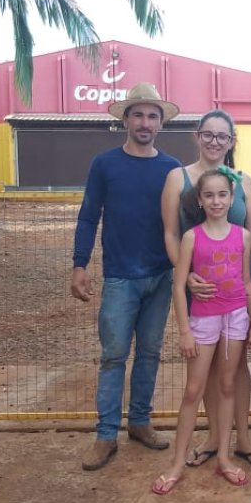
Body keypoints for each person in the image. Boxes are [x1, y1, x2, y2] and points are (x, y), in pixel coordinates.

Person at [71, 82, 181, 471]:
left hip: (160, 276)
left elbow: (183, 223)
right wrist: (79, 263)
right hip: (119, 277)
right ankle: (105, 435)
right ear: (125, 120)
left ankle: (139, 421)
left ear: (161, 123)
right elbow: (88, 215)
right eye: (138, 114)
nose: (145, 121)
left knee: (149, 353)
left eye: (152, 115)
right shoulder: (105, 164)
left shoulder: (172, 169)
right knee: (114, 355)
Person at [160, 109, 251, 469]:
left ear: (231, 141)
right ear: (197, 136)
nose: (214, 142)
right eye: (207, 134)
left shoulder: (243, 181)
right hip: (196, 285)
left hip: (235, 287)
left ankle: (243, 437)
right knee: (204, 368)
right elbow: (170, 233)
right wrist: (186, 271)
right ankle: (212, 437)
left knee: (237, 366)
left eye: (221, 136)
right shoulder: (177, 178)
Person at [152, 169, 251, 494]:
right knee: (192, 391)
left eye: (222, 195)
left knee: (227, 385)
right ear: (199, 200)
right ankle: (177, 464)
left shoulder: (243, 236)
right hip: (203, 321)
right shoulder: (191, 237)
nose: (216, 201)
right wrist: (184, 331)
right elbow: (179, 284)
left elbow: (247, 282)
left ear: (231, 198)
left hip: (236, 318)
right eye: (209, 195)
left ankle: (224, 457)